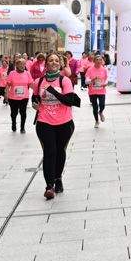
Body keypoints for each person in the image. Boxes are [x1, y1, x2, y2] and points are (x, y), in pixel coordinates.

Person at [34, 54, 78, 200]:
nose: (54, 62)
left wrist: (53, 91)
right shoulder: (39, 81)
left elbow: (69, 101)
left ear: (60, 65)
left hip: (64, 122)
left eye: (56, 61)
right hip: (44, 121)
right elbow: (35, 97)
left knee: (60, 151)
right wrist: (34, 104)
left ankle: (58, 178)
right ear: (46, 64)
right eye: (51, 60)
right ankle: (49, 186)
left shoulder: (64, 81)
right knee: (49, 151)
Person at [2, 58, 32, 134]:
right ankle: (14, 123)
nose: (22, 66)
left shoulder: (27, 73)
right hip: (13, 98)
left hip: (24, 97)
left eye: (24, 64)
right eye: (20, 64)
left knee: (23, 113)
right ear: (16, 65)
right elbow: (8, 85)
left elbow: (31, 84)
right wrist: (6, 94)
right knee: (14, 113)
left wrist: (38, 91)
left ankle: (22, 127)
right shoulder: (12, 73)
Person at [85, 53, 110, 125]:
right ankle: (96, 121)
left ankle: (101, 112)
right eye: (97, 60)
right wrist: (92, 80)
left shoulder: (104, 69)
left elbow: (106, 79)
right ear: (94, 61)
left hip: (101, 90)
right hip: (92, 91)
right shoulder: (90, 69)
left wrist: (105, 83)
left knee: (102, 105)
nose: (99, 61)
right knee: (95, 107)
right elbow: (86, 81)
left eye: (100, 60)